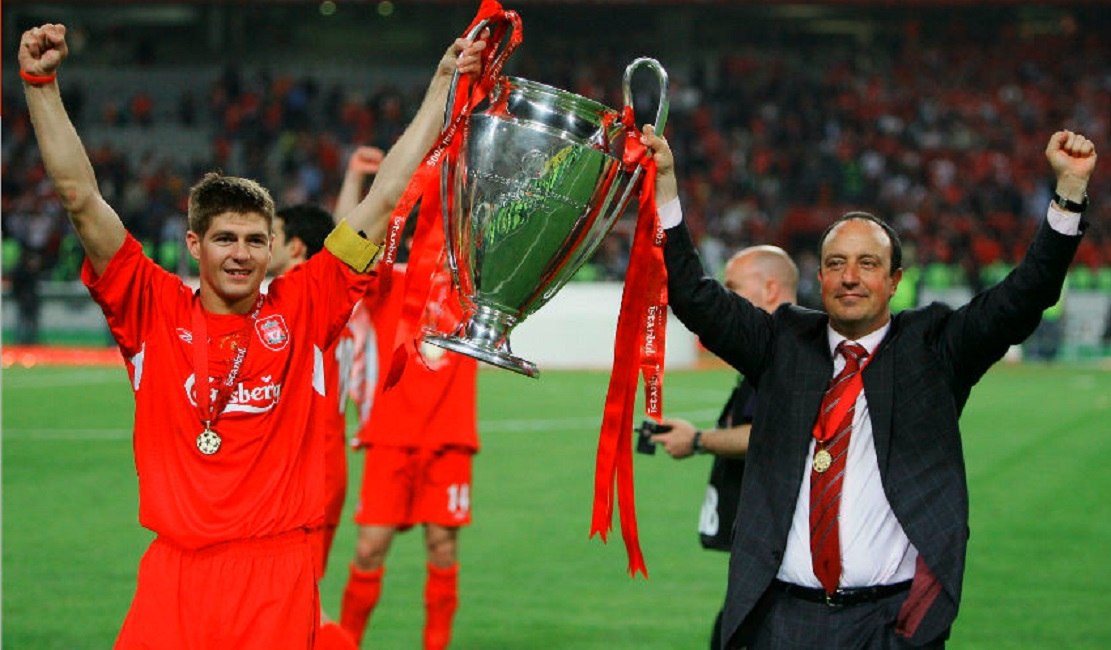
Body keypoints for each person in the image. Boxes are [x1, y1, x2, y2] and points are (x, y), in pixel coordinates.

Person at [18, 22, 485, 648]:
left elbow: (383, 201)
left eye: (255, 240)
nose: (240, 254)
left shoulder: (306, 304)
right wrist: (41, 85)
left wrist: (442, 86)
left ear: (273, 249)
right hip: (175, 576)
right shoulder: (150, 306)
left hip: (274, 577)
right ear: (194, 244)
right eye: (225, 239)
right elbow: (80, 198)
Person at [641, 124, 1096, 649]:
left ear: (895, 280)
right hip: (781, 620)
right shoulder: (783, 342)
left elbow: (1024, 296)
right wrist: (666, 185)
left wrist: (1068, 193)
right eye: (836, 264)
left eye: (868, 264)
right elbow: (694, 297)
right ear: (819, 278)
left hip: (887, 623)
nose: (850, 277)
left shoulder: (935, 348)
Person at [336, 171, 480, 650]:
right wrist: (355, 180)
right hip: (390, 438)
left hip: (449, 438)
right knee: (369, 548)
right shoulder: (389, 283)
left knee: (442, 547)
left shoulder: (474, 290)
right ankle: (346, 643)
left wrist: (466, 180)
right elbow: (347, 246)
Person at [649, 245, 798, 650]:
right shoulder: (780, 346)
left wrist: (698, 440)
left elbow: (771, 435)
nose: (725, 298)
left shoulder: (786, 352)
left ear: (771, 289)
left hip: (783, 553)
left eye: (733, 287)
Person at [268, 203, 361, 650]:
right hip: (322, 461)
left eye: (271, 235)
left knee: (296, 606)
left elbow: (352, 234)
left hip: (306, 470)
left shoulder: (302, 300)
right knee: (290, 602)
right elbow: (345, 237)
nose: (262, 245)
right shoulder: (328, 296)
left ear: (295, 247)